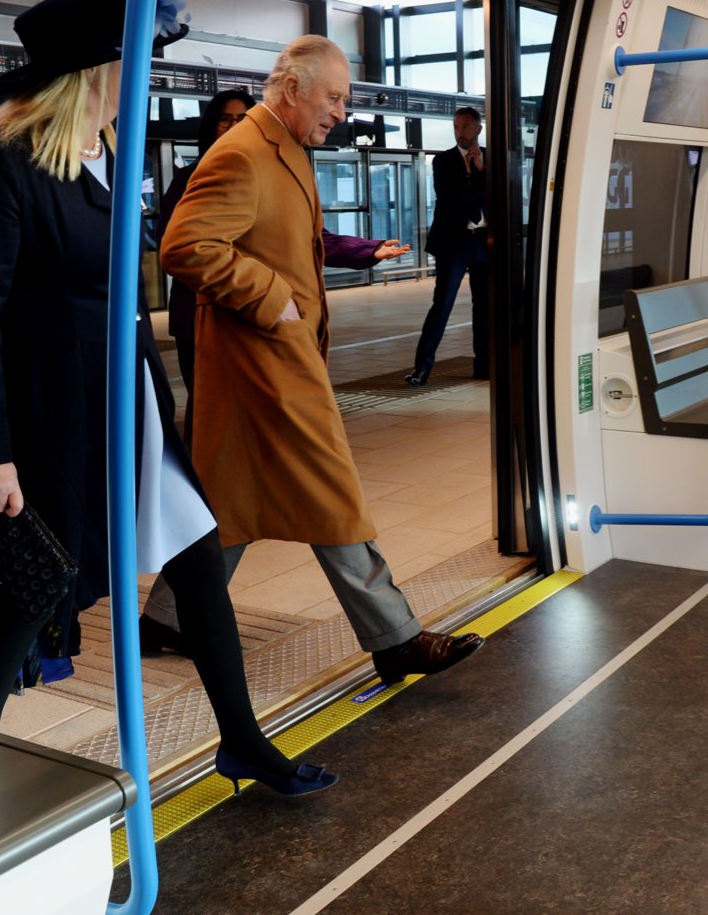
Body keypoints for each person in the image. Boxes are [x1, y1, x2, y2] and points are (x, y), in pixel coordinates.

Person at [0, 0, 335, 796]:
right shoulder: (14, 163)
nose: (147, 74)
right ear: (100, 70)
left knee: (198, 563)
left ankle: (242, 740)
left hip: (129, 410)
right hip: (59, 419)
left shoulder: (106, 157)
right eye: (136, 59)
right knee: (27, 598)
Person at [151, 34, 483, 686]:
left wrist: (350, 258)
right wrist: (273, 298)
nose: (341, 111)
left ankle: (166, 616)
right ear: (293, 87)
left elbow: (298, 238)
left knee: (228, 506)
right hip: (264, 367)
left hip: (271, 366)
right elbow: (183, 245)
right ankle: (395, 638)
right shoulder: (242, 153)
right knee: (334, 494)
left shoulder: (288, 150)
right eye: (333, 96)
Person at [160, 87, 410, 391]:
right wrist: (269, 296)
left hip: (255, 318)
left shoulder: (276, 175)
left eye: (242, 118)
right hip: (206, 316)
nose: (234, 126)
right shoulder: (189, 178)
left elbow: (310, 237)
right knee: (208, 414)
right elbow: (180, 246)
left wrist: (369, 249)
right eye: (225, 119)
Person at [405, 106, 490, 386]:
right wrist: (481, 177)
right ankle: (422, 368)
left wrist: (482, 174)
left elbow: (502, 195)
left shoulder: (492, 157)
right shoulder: (442, 162)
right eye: (455, 127)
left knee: (485, 308)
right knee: (441, 305)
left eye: (465, 127)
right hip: (453, 244)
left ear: (478, 128)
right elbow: (455, 198)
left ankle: (484, 367)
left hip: (484, 242)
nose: (459, 132)